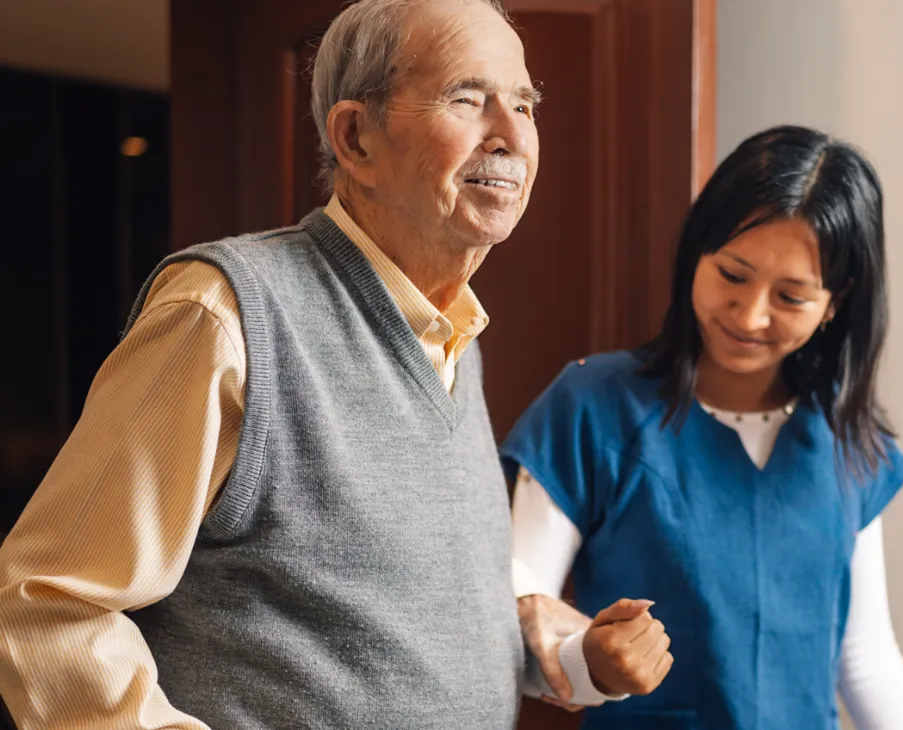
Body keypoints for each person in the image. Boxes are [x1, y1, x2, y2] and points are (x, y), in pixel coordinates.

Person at [0, 1, 667, 727]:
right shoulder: (224, 315)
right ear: (355, 137)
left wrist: (574, 661)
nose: (510, 135)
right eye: (468, 99)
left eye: (525, 104)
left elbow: (398, 614)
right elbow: (47, 604)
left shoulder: (452, 335)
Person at [503, 125, 903, 729]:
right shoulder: (592, 408)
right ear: (697, 250)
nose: (750, 314)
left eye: (790, 297)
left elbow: (862, 656)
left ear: (837, 301)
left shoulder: (846, 440)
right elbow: (522, 625)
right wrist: (595, 666)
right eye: (733, 275)